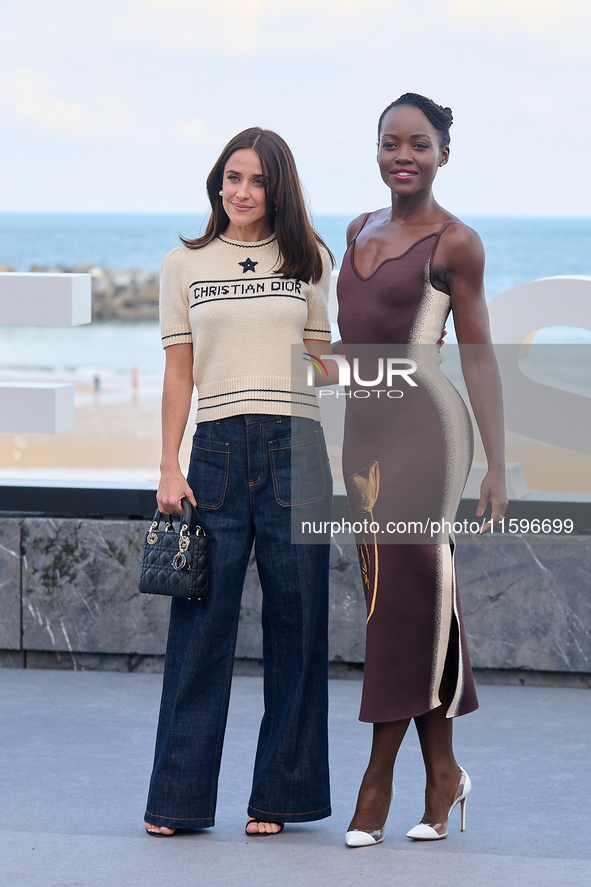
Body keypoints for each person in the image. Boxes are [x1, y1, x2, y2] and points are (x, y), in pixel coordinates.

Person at [143, 127, 334, 838]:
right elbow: (179, 371)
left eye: (255, 180)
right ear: (216, 183)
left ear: (276, 187)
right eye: (231, 177)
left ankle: (280, 799)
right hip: (215, 453)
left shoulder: (309, 259)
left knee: (299, 623)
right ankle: (177, 801)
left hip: (297, 445)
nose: (241, 192)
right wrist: (169, 464)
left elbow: (322, 364)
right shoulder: (182, 265)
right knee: (200, 629)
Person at [336, 93, 508, 846]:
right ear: (375, 150)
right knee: (408, 596)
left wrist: (498, 465)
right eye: (389, 143)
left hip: (427, 435)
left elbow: (476, 356)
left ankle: (377, 779)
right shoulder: (354, 230)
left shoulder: (455, 243)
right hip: (361, 435)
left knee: (402, 600)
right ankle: (444, 772)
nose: (401, 155)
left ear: (442, 153)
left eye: (418, 144)